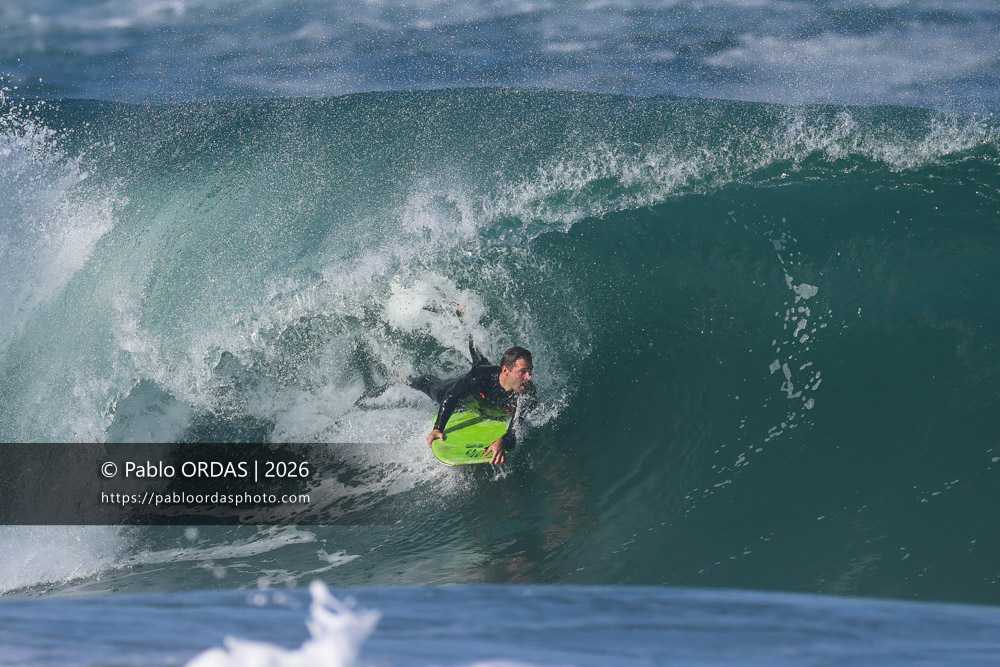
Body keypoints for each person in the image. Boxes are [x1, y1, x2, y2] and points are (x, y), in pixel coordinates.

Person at [413, 342, 536, 465]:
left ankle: (475, 344)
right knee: (437, 391)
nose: (528, 377)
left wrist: (503, 441)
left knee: (482, 363)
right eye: (523, 372)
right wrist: (438, 428)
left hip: (487, 396)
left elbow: (516, 427)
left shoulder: (527, 394)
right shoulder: (478, 377)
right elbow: (451, 397)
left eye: (530, 371)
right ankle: (407, 379)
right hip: (475, 395)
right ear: (506, 370)